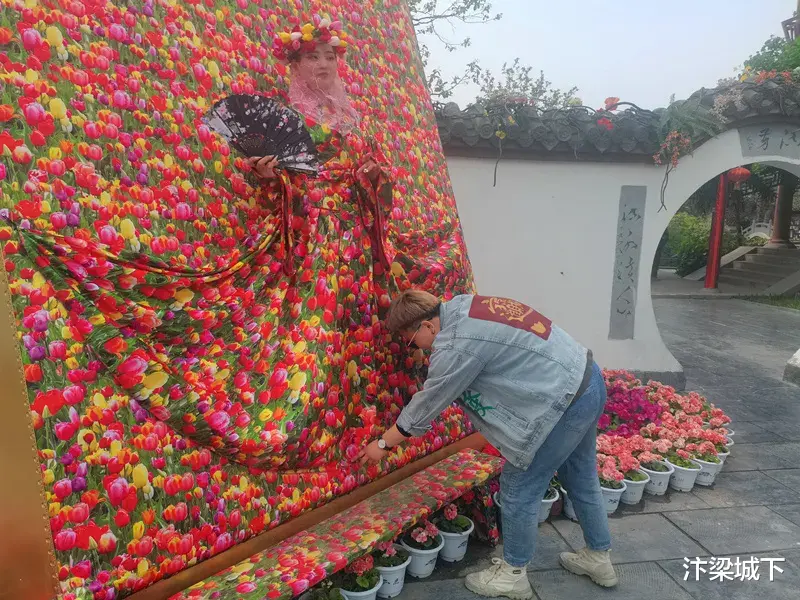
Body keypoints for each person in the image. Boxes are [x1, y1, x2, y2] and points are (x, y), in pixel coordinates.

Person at [358, 289, 618, 598]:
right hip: (587, 378)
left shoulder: (456, 344)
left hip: (562, 403)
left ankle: (513, 575)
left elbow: (428, 403)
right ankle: (598, 558)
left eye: (412, 341)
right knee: (581, 475)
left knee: (519, 487)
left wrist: (383, 445)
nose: (414, 348)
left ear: (427, 326)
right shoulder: (466, 305)